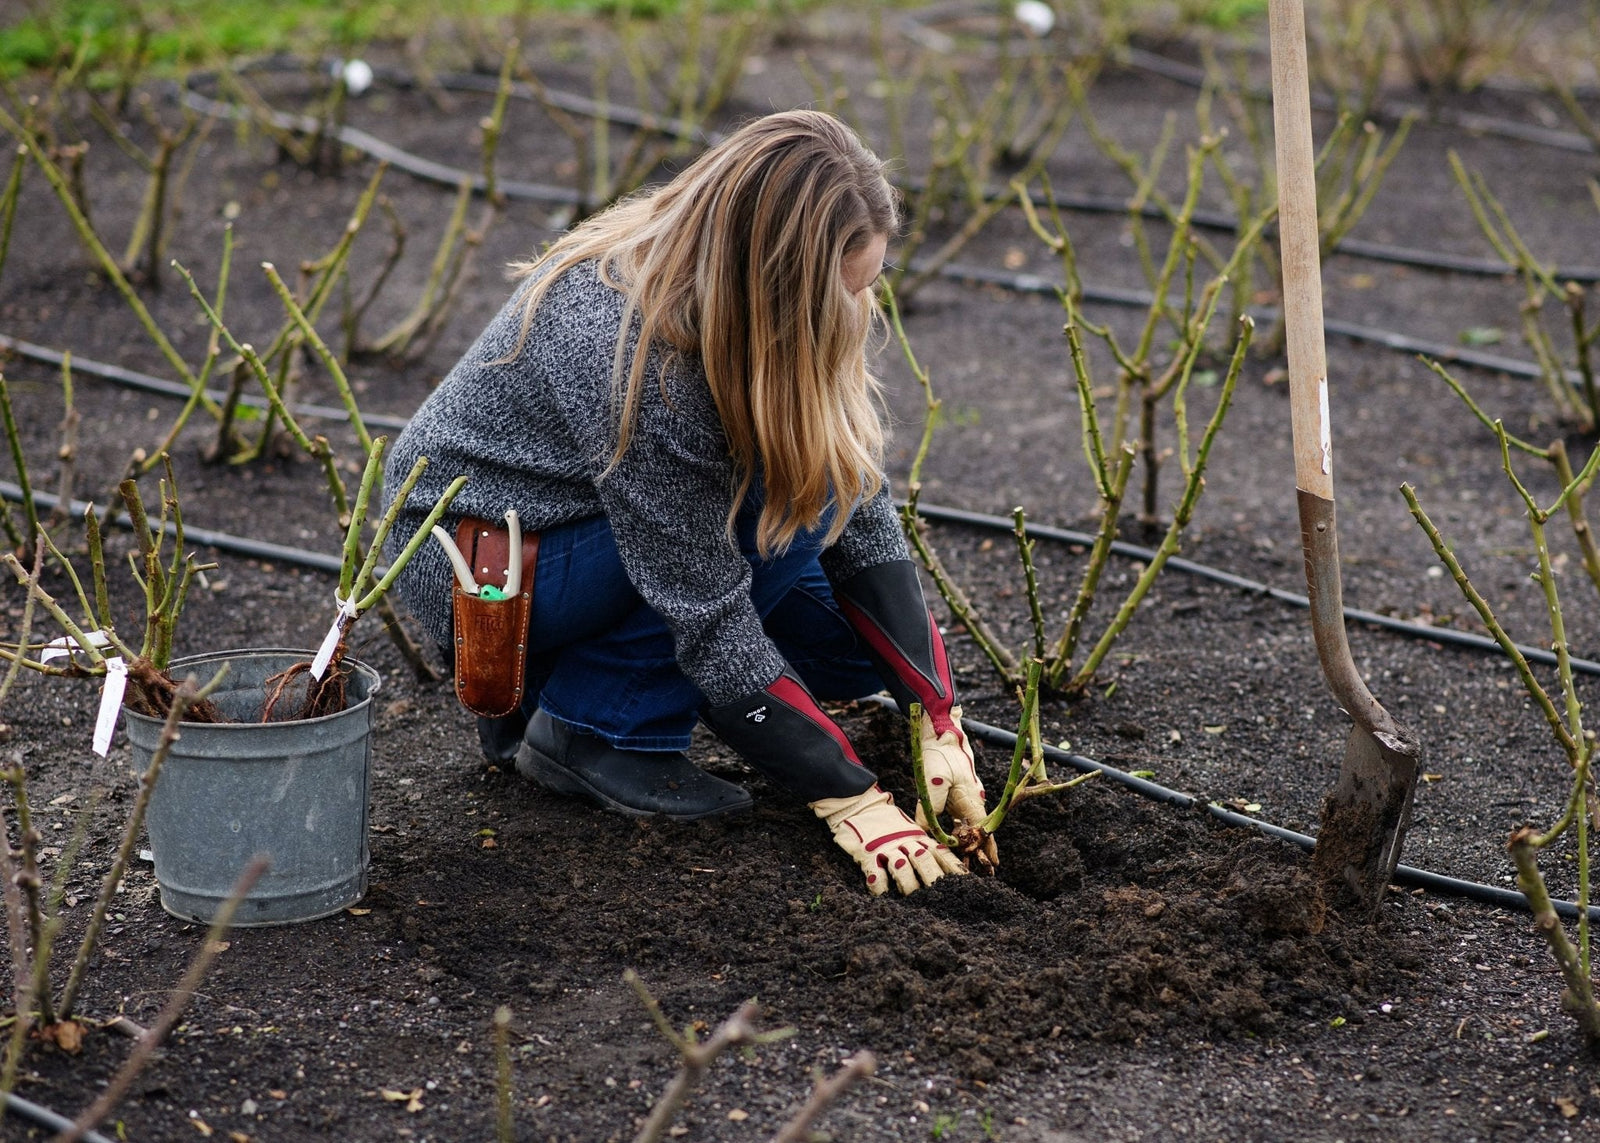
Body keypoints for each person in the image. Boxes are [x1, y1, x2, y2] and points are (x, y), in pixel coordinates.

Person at [384, 109, 994, 896]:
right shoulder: (629, 345)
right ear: (777, 282)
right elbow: (706, 606)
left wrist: (936, 710)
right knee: (766, 506)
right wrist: (849, 794)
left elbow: (853, 493)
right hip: (482, 564)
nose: (855, 310)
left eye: (866, 285)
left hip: (587, 532)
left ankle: (566, 686)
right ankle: (594, 729)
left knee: (848, 645)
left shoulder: (745, 298)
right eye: (842, 291)